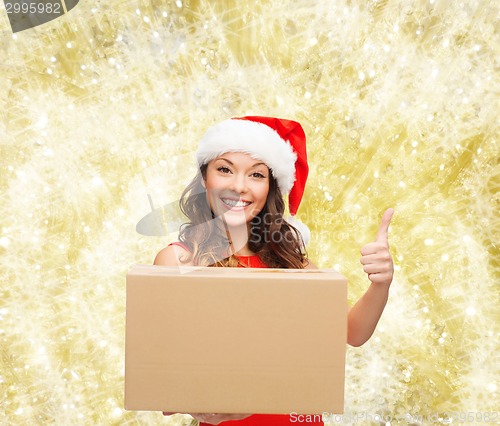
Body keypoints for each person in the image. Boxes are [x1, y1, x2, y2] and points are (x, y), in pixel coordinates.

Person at [154, 116, 394, 426]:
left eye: (256, 175)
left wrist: (381, 284)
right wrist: (202, 404)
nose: (239, 186)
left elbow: (352, 333)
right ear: (204, 177)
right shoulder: (178, 261)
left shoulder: (290, 260)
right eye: (224, 169)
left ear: (270, 188)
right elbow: (162, 370)